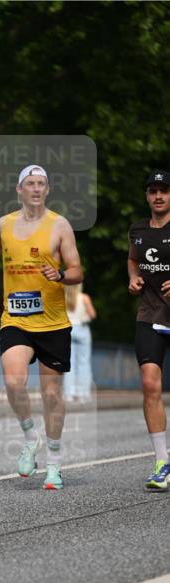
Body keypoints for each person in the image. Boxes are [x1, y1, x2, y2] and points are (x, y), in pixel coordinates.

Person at [0, 164, 83, 490]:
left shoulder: (59, 225)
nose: (36, 188)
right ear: (19, 190)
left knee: (51, 394)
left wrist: (62, 276)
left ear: (47, 190)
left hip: (53, 323)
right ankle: (30, 438)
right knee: (13, 380)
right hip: (16, 318)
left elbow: (77, 269)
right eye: (31, 183)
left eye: (42, 184)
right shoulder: (3, 225)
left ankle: (54, 465)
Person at [128, 169, 170, 491]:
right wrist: (134, 277)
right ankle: (161, 462)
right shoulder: (137, 230)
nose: (158, 196)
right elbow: (133, 259)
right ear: (146, 196)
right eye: (153, 191)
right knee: (149, 382)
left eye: (164, 191)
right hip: (150, 312)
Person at [63, 283, 96, 403]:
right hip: (82, 329)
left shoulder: (63, 297)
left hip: (68, 329)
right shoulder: (84, 298)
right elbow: (92, 315)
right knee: (84, 362)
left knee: (69, 364)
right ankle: (83, 394)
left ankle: (69, 394)